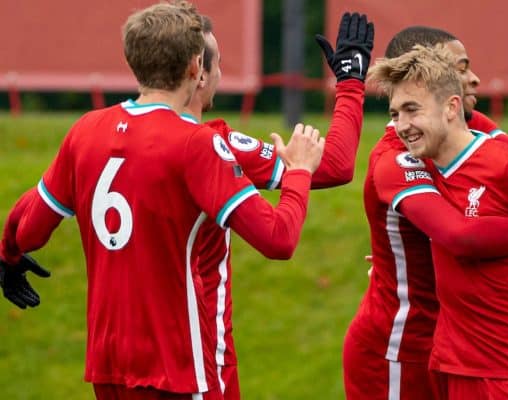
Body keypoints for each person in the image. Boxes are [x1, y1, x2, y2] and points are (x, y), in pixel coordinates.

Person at [0, 2, 326, 399]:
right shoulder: (196, 144)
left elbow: (29, 225)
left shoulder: (86, 130)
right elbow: (278, 239)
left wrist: (9, 255)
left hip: (108, 365)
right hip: (176, 366)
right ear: (195, 66)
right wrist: (299, 173)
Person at [367, 44, 508, 399]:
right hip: (451, 368)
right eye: (395, 113)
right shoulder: (413, 166)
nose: (402, 126)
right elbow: (460, 237)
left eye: (412, 110)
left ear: (452, 107)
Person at [179, 10, 374, 399]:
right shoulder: (215, 147)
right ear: (198, 72)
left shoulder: (98, 136)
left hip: (119, 359)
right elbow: (331, 169)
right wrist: (351, 84)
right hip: (197, 361)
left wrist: (15, 251)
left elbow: (39, 209)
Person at [384, 26, 508, 188]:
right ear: (420, 75)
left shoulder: (470, 122)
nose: (475, 79)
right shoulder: (394, 154)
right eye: (461, 69)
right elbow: (456, 230)